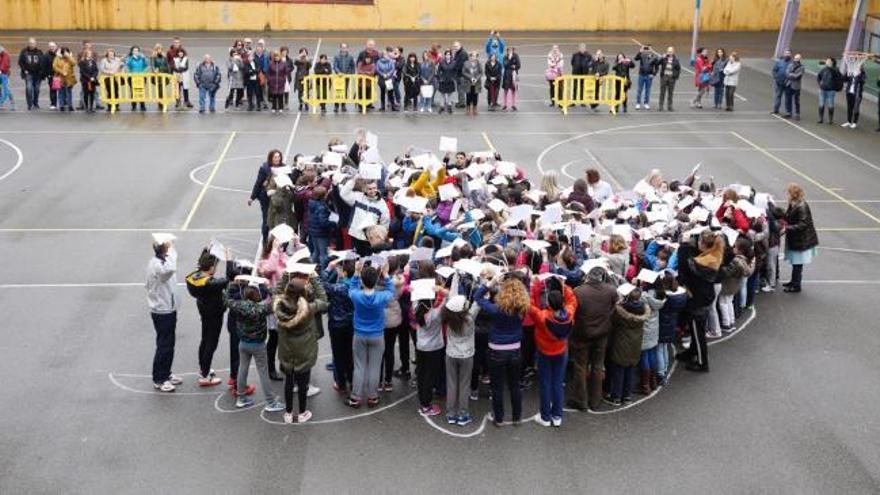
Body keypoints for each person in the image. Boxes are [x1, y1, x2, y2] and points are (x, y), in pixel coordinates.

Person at [474, 276, 529, 426]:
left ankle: (499, 418)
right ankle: (517, 418)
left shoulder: (496, 309)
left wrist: (489, 284)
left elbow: (477, 297)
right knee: (514, 385)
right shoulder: (523, 308)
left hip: (496, 350)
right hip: (515, 349)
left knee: (497, 386)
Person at [223, 280, 285, 412]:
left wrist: (232, 285)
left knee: (242, 369)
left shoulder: (238, 306)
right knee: (263, 372)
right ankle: (270, 402)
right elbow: (276, 300)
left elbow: (226, 299)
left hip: (243, 343)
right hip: (258, 344)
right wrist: (268, 288)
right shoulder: (262, 309)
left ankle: (241, 398)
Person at [275, 274, 328, 424]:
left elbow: (276, 291)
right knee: (303, 384)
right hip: (304, 352)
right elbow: (324, 301)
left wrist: (285, 275)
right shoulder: (309, 309)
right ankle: (303, 412)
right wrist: (315, 279)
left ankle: (288, 413)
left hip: (287, 351)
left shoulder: (279, 306)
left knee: (288, 382)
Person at [567, 266, 617, 411]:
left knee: (580, 367)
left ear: (588, 275)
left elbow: (573, 311)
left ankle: (580, 400)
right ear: (602, 276)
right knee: (597, 366)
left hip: (582, 334)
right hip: (602, 334)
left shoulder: (578, 291)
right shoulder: (611, 290)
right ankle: (595, 400)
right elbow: (614, 306)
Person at [346, 264, 396, 408]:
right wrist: (386, 274)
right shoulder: (381, 297)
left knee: (359, 366)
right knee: (374, 367)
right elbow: (391, 289)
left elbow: (352, 287)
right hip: (377, 335)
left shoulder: (356, 295)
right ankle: (373, 396)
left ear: (362, 280)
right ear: (375, 281)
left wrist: (356, 272)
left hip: (360, 334)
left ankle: (355, 397)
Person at [528, 280, 576, 426]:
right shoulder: (569, 314)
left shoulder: (542, 317)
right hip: (561, 351)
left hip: (544, 352)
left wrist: (534, 286)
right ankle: (557, 416)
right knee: (557, 383)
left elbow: (529, 305)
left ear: (548, 302)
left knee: (545, 383)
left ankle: (545, 416)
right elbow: (573, 300)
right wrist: (563, 285)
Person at [675, 230, 722, 372]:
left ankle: (703, 362)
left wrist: (683, 244)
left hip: (698, 300)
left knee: (698, 333)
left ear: (702, 243)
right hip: (704, 297)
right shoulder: (713, 255)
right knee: (696, 329)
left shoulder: (701, 263)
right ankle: (692, 352)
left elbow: (685, 265)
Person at [185, 249, 230, 387]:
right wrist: (229, 260)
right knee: (211, 343)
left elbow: (202, 264)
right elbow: (229, 278)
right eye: (215, 266)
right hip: (214, 314)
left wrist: (206, 253)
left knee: (205, 340)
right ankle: (205, 375)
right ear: (211, 268)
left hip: (204, 311)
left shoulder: (194, 277)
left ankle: (203, 368)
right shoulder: (210, 284)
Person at [145, 235, 181, 393]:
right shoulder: (159, 267)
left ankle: (166, 372)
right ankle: (159, 378)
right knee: (164, 345)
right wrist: (170, 248)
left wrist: (169, 247)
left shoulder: (161, 261)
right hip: (162, 310)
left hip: (168, 308)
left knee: (169, 343)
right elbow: (171, 269)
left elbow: (172, 261)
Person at [604, 289, 650, 406]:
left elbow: (612, 320)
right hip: (635, 343)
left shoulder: (620, 311)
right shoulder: (643, 310)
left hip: (622, 342)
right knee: (630, 369)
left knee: (619, 370)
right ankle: (627, 395)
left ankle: (616, 397)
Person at [444, 292, 480, 426]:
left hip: (451, 354)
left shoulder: (448, 318)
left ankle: (451, 414)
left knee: (451, 384)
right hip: (466, 355)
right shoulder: (469, 319)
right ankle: (463, 414)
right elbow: (477, 302)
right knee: (464, 385)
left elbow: (449, 301)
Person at [412, 283, 446, 417]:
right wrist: (441, 291)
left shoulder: (416, 309)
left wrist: (417, 291)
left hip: (421, 346)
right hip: (434, 348)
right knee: (430, 377)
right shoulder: (436, 314)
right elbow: (448, 300)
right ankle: (426, 405)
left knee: (422, 374)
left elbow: (414, 301)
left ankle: (422, 399)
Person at [782, 183, 818, 293]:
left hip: (801, 240)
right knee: (795, 262)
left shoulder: (802, 206)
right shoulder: (793, 204)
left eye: (788, 193)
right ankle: (793, 281)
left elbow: (803, 224)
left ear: (793, 194)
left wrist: (787, 228)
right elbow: (788, 216)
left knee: (797, 263)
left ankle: (796, 285)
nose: (787, 195)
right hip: (796, 238)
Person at [18, 37, 43, 110]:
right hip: (28, 73)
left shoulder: (39, 52)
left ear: (36, 44)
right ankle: (29, 104)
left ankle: (35, 103)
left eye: (33, 43)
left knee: (37, 89)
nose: (32, 45)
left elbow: (42, 62)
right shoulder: (24, 51)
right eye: (30, 43)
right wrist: (24, 70)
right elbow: (20, 62)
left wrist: (41, 71)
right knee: (29, 88)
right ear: (28, 44)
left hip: (38, 74)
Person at [816, 57, 841, 124]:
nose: (827, 62)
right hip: (822, 90)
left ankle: (830, 120)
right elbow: (818, 77)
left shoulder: (835, 69)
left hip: (831, 90)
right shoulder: (823, 69)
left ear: (832, 62)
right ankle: (820, 119)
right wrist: (820, 84)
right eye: (827, 61)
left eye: (829, 61)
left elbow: (837, 76)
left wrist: (830, 68)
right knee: (821, 104)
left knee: (831, 105)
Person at [52, 47, 76, 112]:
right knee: (61, 92)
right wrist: (62, 71)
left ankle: (70, 105)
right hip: (60, 77)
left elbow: (74, 63)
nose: (65, 53)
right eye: (64, 52)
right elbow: (54, 66)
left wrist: (69, 57)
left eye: (66, 52)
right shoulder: (57, 58)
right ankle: (61, 106)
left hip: (69, 77)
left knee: (69, 92)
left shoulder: (70, 58)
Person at [124, 46, 148, 111]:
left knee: (141, 90)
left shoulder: (142, 58)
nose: (136, 52)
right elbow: (126, 66)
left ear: (139, 51)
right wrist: (131, 58)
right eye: (134, 51)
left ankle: (142, 105)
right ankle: (134, 105)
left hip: (142, 77)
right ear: (132, 51)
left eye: (137, 51)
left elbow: (147, 65)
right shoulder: (129, 58)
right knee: (133, 90)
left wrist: (144, 58)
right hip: (132, 77)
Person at [657, 46, 681, 111]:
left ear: (673, 52)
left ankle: (669, 106)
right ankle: (660, 106)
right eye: (668, 51)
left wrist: (675, 77)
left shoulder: (676, 59)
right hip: (664, 77)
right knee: (662, 92)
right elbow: (657, 63)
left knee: (670, 93)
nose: (669, 53)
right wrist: (661, 58)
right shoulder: (664, 58)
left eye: (670, 51)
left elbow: (678, 69)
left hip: (671, 78)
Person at [842, 63, 865, 129]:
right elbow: (845, 79)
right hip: (849, 92)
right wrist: (846, 72)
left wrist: (858, 75)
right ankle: (849, 121)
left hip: (857, 94)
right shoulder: (851, 72)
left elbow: (862, 82)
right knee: (849, 107)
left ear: (861, 67)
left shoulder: (862, 74)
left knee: (856, 108)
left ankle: (854, 122)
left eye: (859, 65)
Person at [333, 43, 355, 112]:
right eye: (342, 47)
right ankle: (336, 106)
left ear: (347, 48)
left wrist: (350, 73)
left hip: (346, 77)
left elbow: (352, 66)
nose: (344, 49)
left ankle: (343, 105)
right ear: (340, 48)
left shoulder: (350, 57)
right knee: (338, 91)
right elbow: (335, 66)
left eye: (345, 47)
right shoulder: (336, 56)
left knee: (345, 90)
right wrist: (338, 72)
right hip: (338, 77)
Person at [634, 44, 656, 110]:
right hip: (641, 75)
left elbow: (656, 65)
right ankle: (638, 103)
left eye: (648, 48)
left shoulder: (653, 56)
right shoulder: (641, 55)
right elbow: (636, 58)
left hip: (649, 76)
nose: (647, 50)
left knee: (647, 90)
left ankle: (646, 103)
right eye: (646, 49)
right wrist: (640, 51)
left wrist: (653, 74)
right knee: (639, 90)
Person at [771, 49, 793, 115]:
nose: (787, 54)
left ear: (790, 54)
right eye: (786, 53)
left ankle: (788, 112)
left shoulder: (792, 63)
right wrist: (776, 78)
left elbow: (793, 73)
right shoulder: (779, 62)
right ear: (784, 54)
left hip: (788, 84)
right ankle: (775, 110)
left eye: (788, 53)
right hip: (779, 83)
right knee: (778, 96)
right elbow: (774, 71)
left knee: (788, 98)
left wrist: (789, 80)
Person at [149, 43, 170, 111]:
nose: (159, 50)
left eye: (160, 49)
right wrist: (155, 70)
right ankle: (160, 103)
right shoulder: (153, 57)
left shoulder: (164, 56)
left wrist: (168, 74)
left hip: (164, 75)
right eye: (158, 49)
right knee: (159, 90)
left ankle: (163, 103)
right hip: (157, 76)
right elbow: (152, 65)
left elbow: (167, 65)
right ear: (156, 49)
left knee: (163, 90)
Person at [462, 51, 483, 116]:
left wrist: (476, 79)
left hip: (476, 83)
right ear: (470, 56)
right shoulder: (466, 63)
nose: (474, 57)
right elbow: (464, 72)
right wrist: (471, 78)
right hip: (468, 82)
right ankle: (468, 108)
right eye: (472, 56)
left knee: (475, 96)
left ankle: (475, 108)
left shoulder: (479, 63)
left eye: (475, 56)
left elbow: (481, 72)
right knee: (468, 95)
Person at [784, 53, 804, 120]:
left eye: (798, 58)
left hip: (796, 86)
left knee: (796, 101)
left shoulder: (802, 67)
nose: (796, 59)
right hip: (788, 84)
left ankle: (797, 114)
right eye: (795, 58)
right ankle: (788, 112)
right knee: (788, 99)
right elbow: (787, 73)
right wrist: (793, 75)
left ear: (800, 59)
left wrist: (791, 75)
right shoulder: (790, 65)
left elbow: (798, 76)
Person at [77, 49, 98, 113]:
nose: (90, 54)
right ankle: (86, 107)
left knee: (92, 94)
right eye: (89, 53)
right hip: (85, 80)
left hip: (92, 81)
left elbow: (96, 70)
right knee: (86, 94)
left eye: (90, 53)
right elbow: (82, 71)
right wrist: (89, 77)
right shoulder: (82, 62)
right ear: (86, 54)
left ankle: (91, 107)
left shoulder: (93, 61)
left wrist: (93, 77)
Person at [437, 50, 457, 114]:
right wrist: (440, 77)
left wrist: (453, 77)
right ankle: (442, 107)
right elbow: (438, 71)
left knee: (450, 94)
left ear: (451, 55)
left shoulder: (454, 62)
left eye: (449, 54)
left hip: (450, 80)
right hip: (443, 80)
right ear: (445, 55)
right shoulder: (441, 62)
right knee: (442, 94)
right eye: (446, 54)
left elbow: (455, 71)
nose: (448, 56)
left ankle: (449, 106)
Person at [501, 46, 520, 111]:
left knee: (513, 90)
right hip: (506, 75)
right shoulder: (505, 57)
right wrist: (510, 59)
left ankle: (513, 105)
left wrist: (513, 66)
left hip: (514, 75)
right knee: (505, 90)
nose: (510, 52)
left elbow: (519, 65)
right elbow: (505, 65)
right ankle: (505, 104)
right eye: (509, 51)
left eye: (511, 50)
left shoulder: (516, 56)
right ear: (507, 51)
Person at [451, 41, 468, 108]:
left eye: (457, 46)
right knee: (459, 88)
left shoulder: (462, 53)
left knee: (461, 89)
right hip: (458, 74)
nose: (455, 47)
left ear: (460, 46)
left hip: (461, 74)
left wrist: (454, 68)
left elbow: (461, 65)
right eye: (454, 46)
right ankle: (460, 101)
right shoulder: (457, 53)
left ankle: (462, 103)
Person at [42, 42, 58, 109]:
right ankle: (53, 104)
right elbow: (44, 66)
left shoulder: (60, 54)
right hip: (51, 75)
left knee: (62, 90)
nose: (52, 47)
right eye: (50, 46)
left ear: (56, 46)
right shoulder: (46, 55)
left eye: (53, 46)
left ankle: (64, 103)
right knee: (53, 90)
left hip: (60, 75)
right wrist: (46, 75)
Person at [0, 45, 15, 111]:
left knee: (6, 90)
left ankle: (12, 104)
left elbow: (5, 64)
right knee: (5, 90)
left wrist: (1, 70)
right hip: (2, 74)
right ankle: (10, 104)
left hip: (4, 74)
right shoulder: (3, 54)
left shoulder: (5, 55)